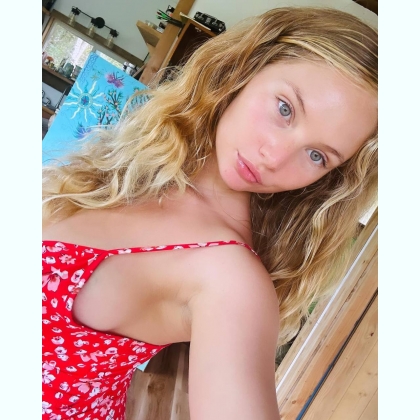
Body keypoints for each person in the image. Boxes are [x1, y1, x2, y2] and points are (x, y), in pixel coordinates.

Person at [42, 6, 378, 420]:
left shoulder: (231, 278)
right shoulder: (134, 168)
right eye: (285, 109)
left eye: (316, 155)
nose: (274, 157)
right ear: (244, 68)